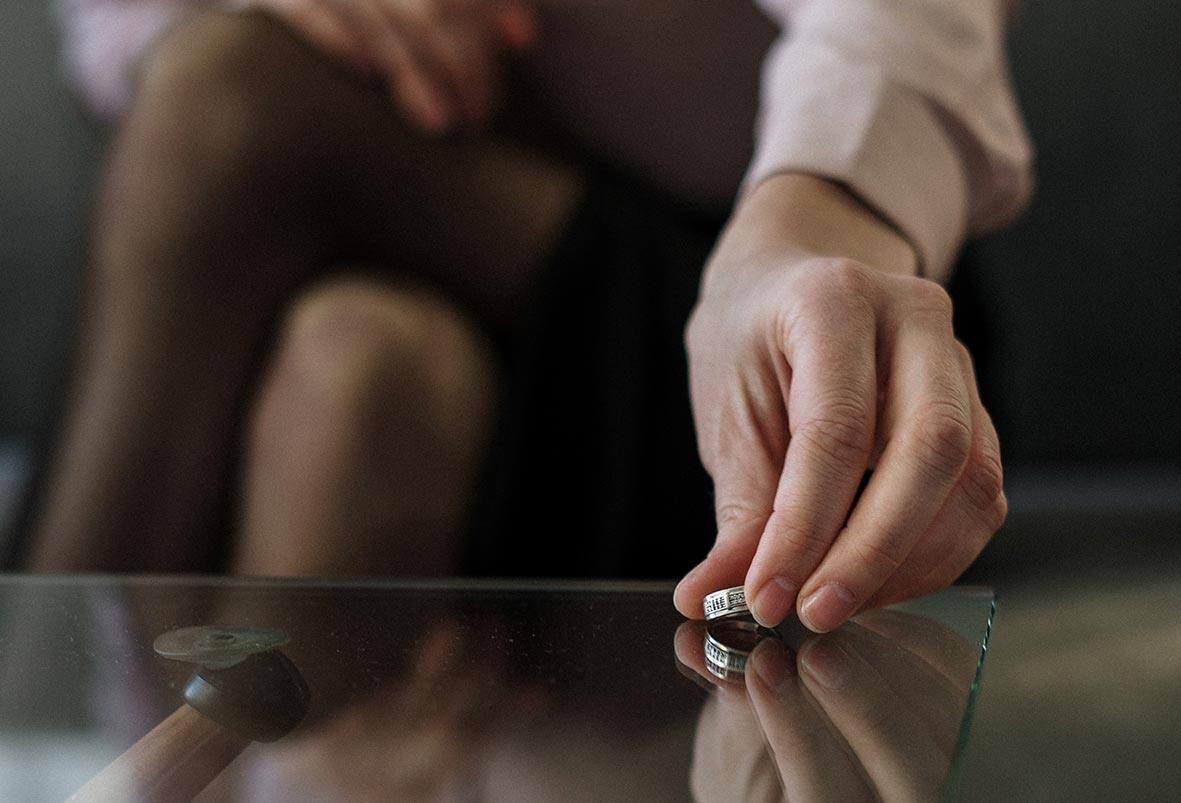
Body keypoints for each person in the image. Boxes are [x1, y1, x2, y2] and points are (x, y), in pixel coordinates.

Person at [27, 0, 1032, 633]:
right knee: (358, 363)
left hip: (719, 278)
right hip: (386, 202)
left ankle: (32, 723)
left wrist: (812, 214)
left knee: (226, 99)